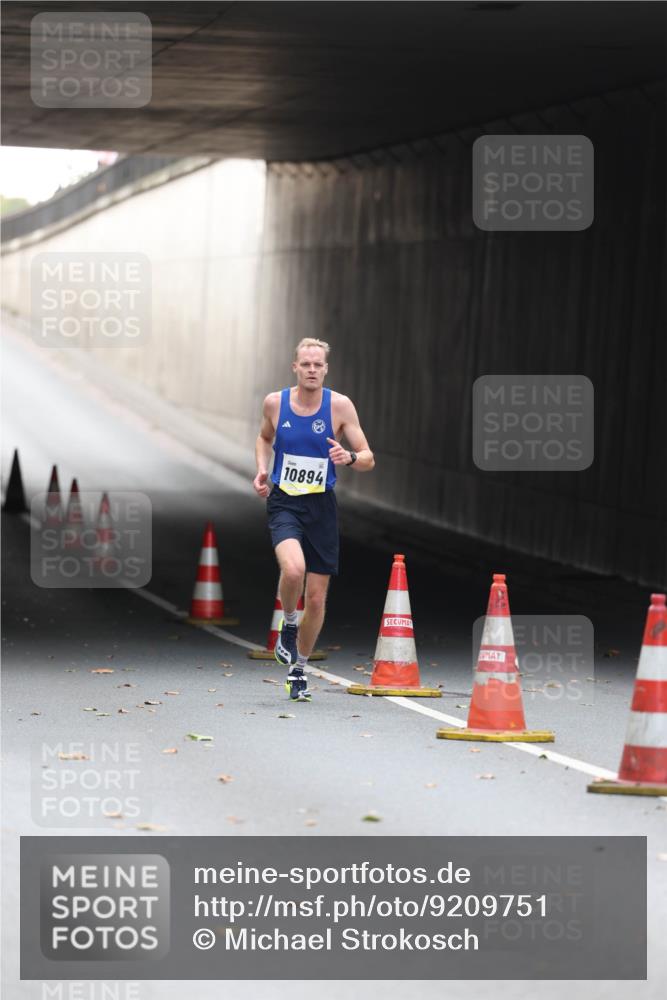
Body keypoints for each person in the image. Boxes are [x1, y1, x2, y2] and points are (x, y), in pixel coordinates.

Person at [253, 338, 375, 701]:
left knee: (318, 599)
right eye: (305, 364)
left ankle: (298, 669)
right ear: (295, 367)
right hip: (284, 501)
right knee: (293, 570)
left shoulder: (339, 406)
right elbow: (263, 437)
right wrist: (262, 469)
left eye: (317, 365)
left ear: (325, 369)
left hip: (322, 506)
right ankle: (289, 624)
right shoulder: (275, 402)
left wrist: (349, 457)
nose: (311, 370)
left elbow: (369, 457)